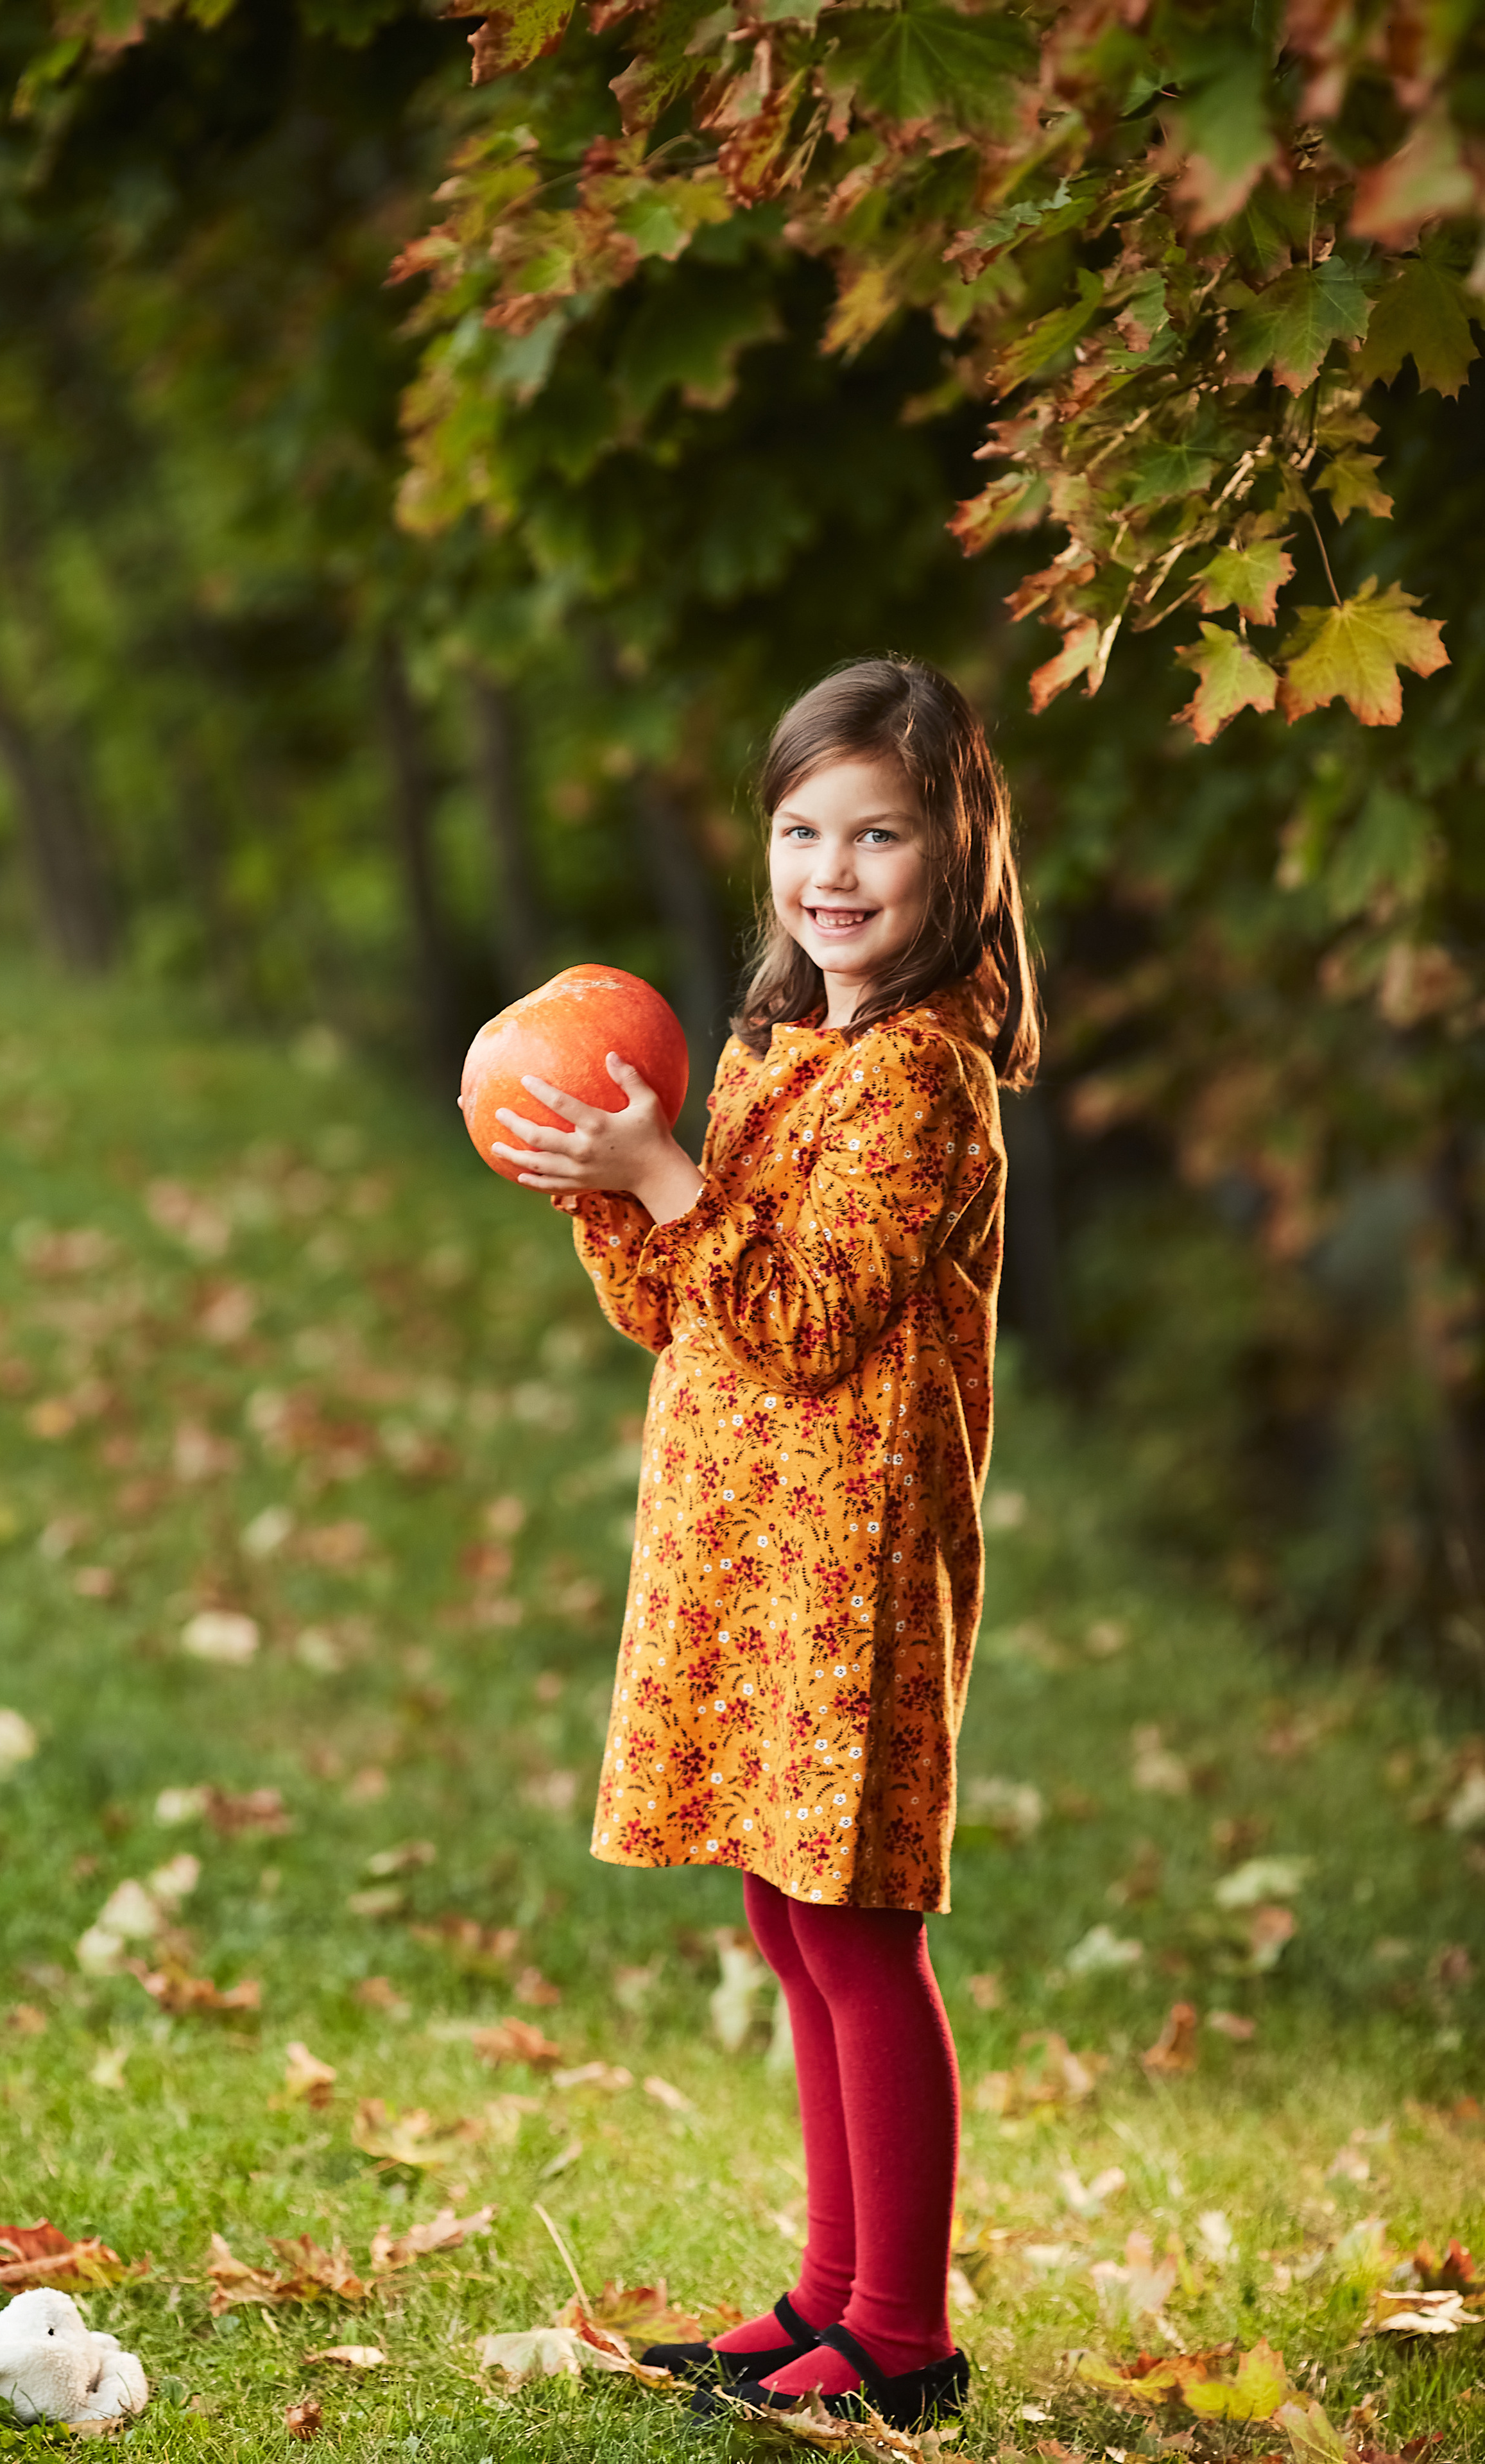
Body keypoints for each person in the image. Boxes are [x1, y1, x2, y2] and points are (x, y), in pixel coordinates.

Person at [489, 655, 1040, 2431]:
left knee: (858, 1929)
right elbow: (681, 1308)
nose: (835, 870)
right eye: (805, 829)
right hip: (744, 1549)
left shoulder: (924, 1081)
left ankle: (905, 2340)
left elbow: (803, 1318)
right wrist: (609, 1188)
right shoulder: (781, 1051)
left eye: (878, 833)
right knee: (787, 1924)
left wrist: (669, 1181)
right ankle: (828, 2294)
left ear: (953, 854)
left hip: (853, 1565)